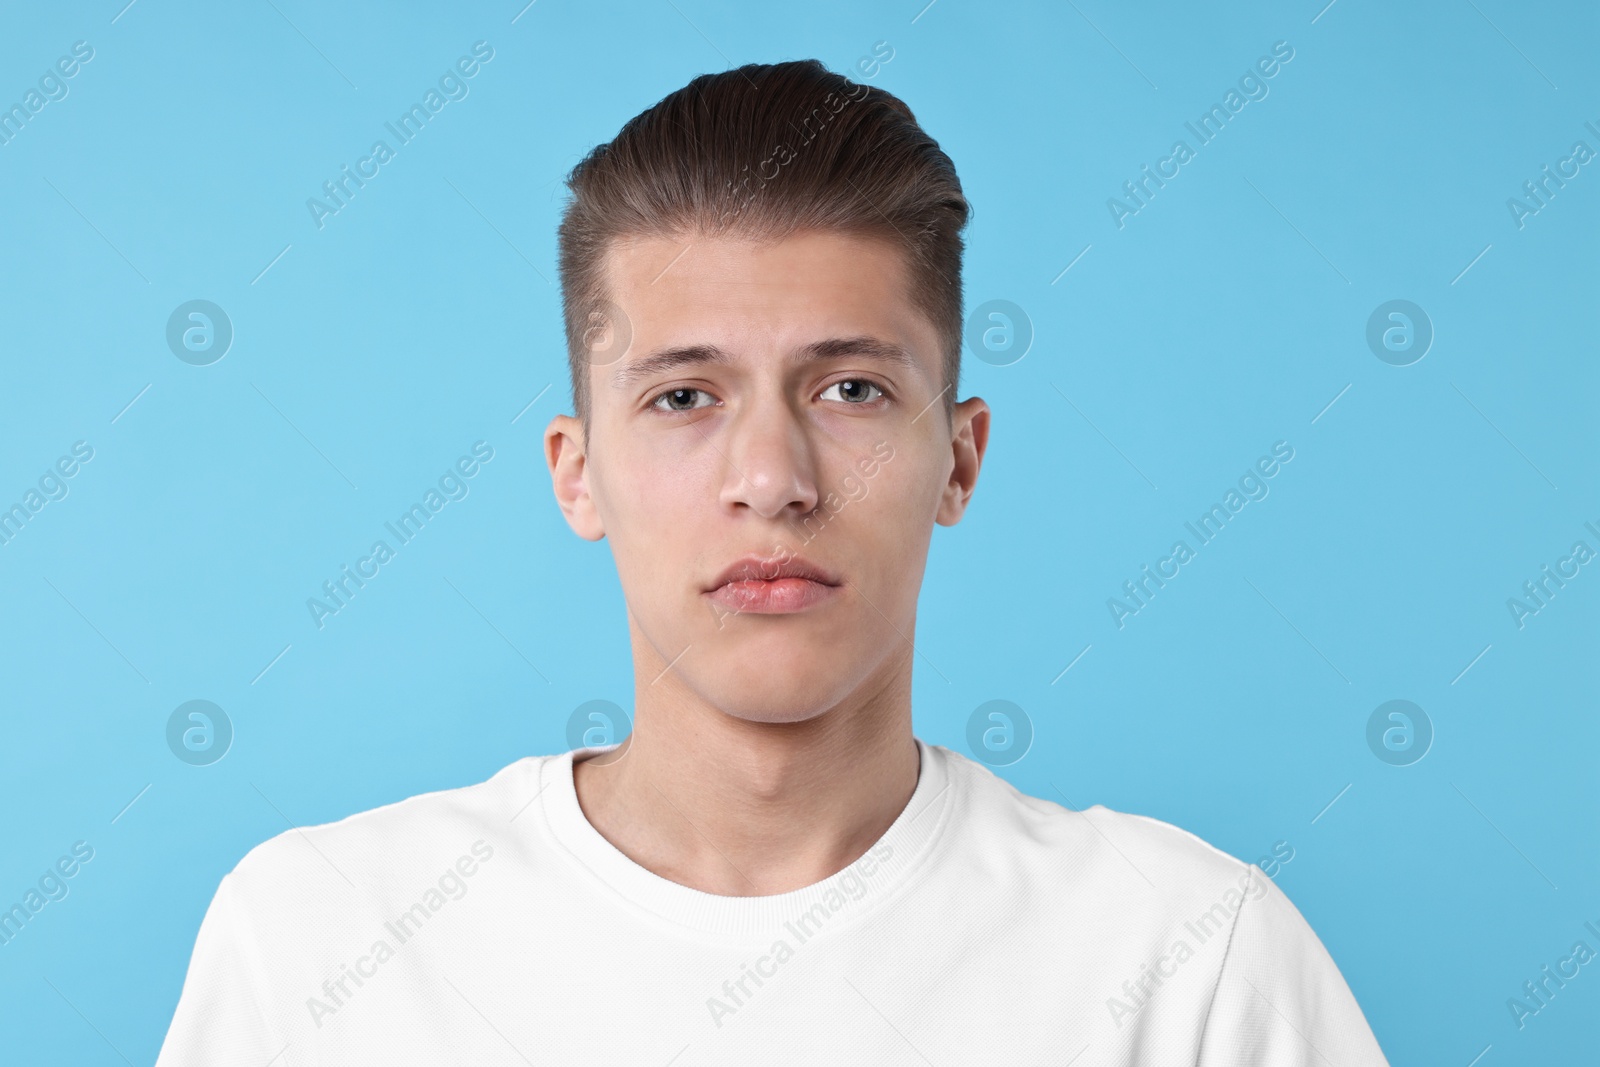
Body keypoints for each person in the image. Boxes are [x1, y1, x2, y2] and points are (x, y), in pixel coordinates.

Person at [155, 59, 1389, 1065]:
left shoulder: (1191, 959)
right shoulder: (319, 942)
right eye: (685, 394)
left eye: (850, 388)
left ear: (958, 459)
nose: (773, 475)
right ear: (575, 471)